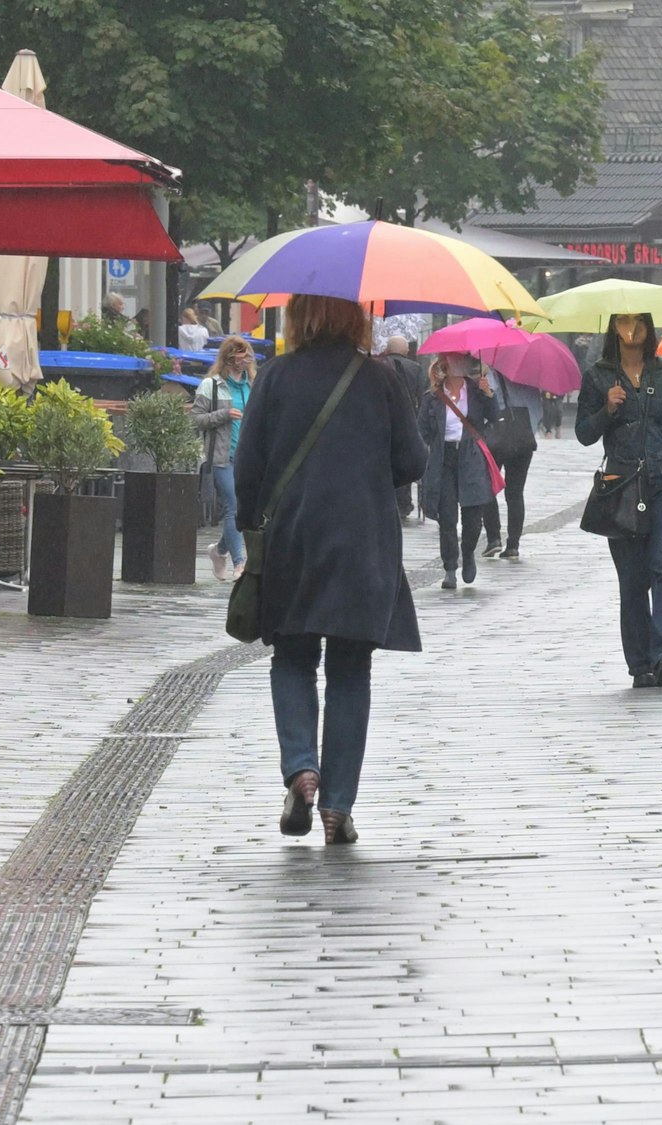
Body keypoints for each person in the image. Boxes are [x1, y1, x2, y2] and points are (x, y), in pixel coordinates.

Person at [233, 294, 424, 846]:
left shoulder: (275, 377)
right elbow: (413, 461)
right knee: (350, 669)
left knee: (292, 656)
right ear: (354, 318)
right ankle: (338, 803)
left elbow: (248, 466)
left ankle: (301, 768)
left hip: (293, 538)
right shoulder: (381, 378)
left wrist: (251, 528)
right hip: (362, 540)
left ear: (297, 317)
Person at [576, 313, 662, 689]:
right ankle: (640, 663)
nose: (631, 329)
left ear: (649, 328)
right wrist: (607, 409)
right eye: (623, 322)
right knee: (632, 579)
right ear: (612, 329)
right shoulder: (598, 376)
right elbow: (584, 433)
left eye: (638, 322)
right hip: (621, 485)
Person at [417, 354, 497, 589]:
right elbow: (422, 431)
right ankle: (450, 567)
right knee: (447, 517)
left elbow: (494, 416)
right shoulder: (432, 397)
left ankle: (468, 553)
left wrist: (488, 394)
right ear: (444, 364)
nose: (458, 364)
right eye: (453, 360)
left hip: (470, 457)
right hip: (444, 459)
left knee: (473, 517)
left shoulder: (476, 391)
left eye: (461, 360)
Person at [192, 336, 256, 581]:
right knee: (234, 507)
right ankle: (240, 563)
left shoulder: (253, 385)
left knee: (245, 509)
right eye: (239, 353)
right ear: (228, 357)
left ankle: (219, 551)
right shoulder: (211, 385)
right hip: (221, 457)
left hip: (248, 459)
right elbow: (196, 419)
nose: (244, 359)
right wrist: (224, 414)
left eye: (247, 353)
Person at [479, 365, 541, 561]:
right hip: (524, 440)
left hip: (497, 439)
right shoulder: (531, 379)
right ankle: (513, 545)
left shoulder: (492, 375)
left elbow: (489, 408)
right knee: (515, 493)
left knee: (487, 487)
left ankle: (493, 538)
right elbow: (538, 412)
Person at [380, 335, 427, 520]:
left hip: (383, 420)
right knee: (404, 457)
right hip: (409, 418)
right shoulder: (416, 368)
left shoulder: (378, 366)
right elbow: (422, 395)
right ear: (406, 350)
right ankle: (404, 502)